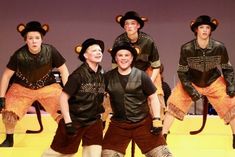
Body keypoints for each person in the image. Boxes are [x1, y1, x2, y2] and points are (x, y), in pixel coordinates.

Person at [162, 15, 235, 149]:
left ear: (210, 31)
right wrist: (190, 89)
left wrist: (231, 85)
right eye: (201, 27)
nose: (205, 30)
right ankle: (163, 135)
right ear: (196, 30)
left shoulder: (220, 47)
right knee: (173, 103)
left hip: (213, 81)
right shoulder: (187, 48)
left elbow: (227, 68)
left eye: (207, 27)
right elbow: (182, 71)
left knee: (232, 103)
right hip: (192, 81)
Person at [0, 21, 69, 147]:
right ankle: (9, 139)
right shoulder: (18, 55)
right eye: (30, 38)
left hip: (48, 87)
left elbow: (63, 70)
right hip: (22, 88)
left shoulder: (51, 50)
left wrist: (68, 91)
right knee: (9, 113)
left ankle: (64, 138)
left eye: (37, 38)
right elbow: (6, 76)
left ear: (41, 39)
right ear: (26, 40)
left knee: (64, 109)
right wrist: (1, 97)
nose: (34, 41)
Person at [102, 42, 173, 157]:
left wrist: (156, 119)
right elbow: (103, 100)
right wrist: (102, 119)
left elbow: (153, 97)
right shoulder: (107, 77)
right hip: (118, 125)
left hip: (143, 123)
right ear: (115, 58)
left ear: (132, 58)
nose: (123, 58)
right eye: (120, 55)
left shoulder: (142, 76)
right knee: (107, 155)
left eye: (127, 55)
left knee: (164, 156)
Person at [42, 38, 106, 157]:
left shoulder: (102, 73)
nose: (99, 52)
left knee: (94, 154)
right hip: (75, 120)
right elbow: (63, 98)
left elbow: (102, 97)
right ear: (85, 55)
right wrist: (68, 122)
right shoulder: (77, 75)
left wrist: (102, 118)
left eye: (100, 50)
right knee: (61, 153)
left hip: (94, 122)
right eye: (94, 50)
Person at [112, 11, 166, 118]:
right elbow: (115, 65)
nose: (129, 26)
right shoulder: (119, 41)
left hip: (148, 70)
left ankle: (159, 122)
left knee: (156, 92)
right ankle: (103, 121)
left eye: (132, 23)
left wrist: (150, 81)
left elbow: (156, 65)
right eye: (126, 24)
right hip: (126, 71)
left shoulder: (148, 41)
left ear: (138, 26)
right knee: (112, 91)